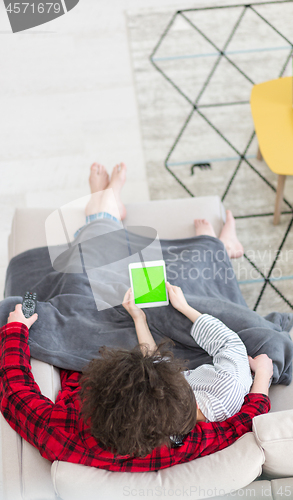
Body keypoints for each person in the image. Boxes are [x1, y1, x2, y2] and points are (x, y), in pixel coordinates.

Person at [0, 162, 273, 472]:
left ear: (95, 395)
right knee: (183, 288)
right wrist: (262, 377)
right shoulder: (184, 441)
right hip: (159, 330)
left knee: (53, 287)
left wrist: (15, 331)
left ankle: (104, 210)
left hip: (89, 333)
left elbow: (15, 391)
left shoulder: (65, 434)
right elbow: (243, 422)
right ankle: (213, 247)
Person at [122, 283, 259, 425]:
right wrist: (184, 307)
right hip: (229, 361)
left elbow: (156, 369)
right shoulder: (229, 384)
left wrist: (139, 318)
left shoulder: (162, 417)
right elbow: (229, 343)